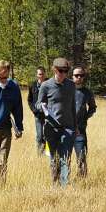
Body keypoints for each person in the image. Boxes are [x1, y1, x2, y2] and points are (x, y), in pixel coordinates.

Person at [36, 58, 77, 187]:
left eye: (66, 71)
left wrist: (75, 126)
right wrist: (41, 106)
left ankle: (64, 185)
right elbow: (37, 104)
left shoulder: (71, 85)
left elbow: (72, 108)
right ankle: (55, 184)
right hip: (51, 128)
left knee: (65, 158)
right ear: (54, 70)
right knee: (54, 158)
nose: (63, 74)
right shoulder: (46, 85)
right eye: (61, 71)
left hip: (68, 128)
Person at [72, 66, 97, 179]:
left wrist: (85, 118)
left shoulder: (87, 92)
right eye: (76, 75)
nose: (79, 77)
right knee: (62, 157)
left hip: (80, 131)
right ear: (72, 76)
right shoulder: (66, 90)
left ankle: (82, 180)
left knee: (81, 156)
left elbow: (92, 107)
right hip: (65, 129)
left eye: (81, 75)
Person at [27, 67, 48, 156]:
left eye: (42, 74)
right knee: (39, 136)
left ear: (45, 74)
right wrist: (33, 110)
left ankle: (48, 154)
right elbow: (29, 99)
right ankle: (40, 154)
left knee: (47, 135)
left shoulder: (49, 84)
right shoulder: (33, 85)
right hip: (38, 115)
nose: (41, 76)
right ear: (37, 75)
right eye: (39, 74)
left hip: (48, 115)